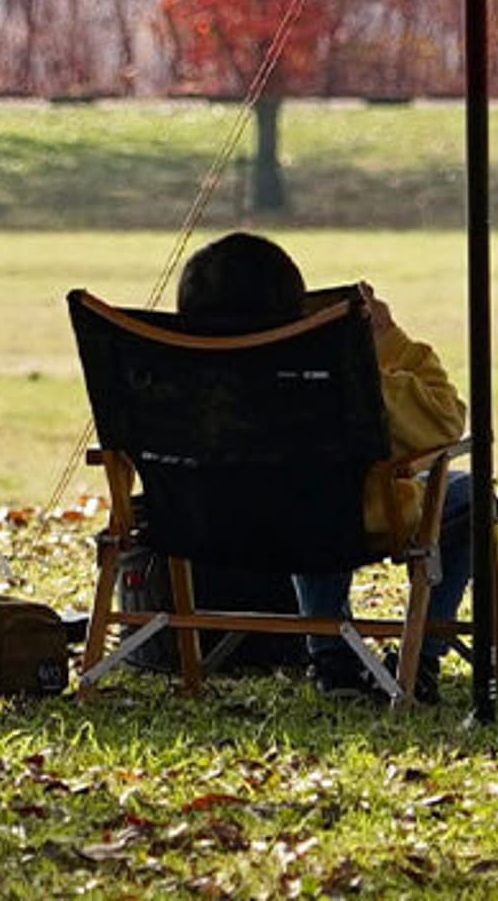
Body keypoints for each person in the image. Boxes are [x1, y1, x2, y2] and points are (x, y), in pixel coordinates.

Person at [177, 231, 470, 704]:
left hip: (192, 520)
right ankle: (421, 658)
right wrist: (386, 338)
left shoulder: (172, 375)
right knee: (464, 491)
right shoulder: (332, 377)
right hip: (333, 521)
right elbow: (445, 419)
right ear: (295, 308)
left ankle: (332, 659)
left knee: (305, 487)